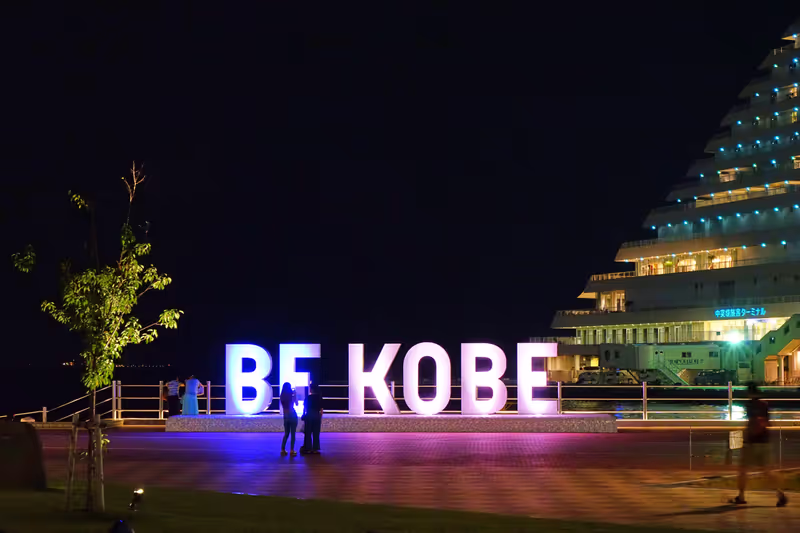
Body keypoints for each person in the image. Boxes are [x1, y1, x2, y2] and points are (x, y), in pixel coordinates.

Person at [730, 383, 787, 506]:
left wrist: (744, 438)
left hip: (752, 442)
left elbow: (751, 423)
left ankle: (741, 496)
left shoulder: (750, 405)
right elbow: (768, 423)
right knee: (767, 471)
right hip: (765, 441)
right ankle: (780, 494)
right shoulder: (765, 405)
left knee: (743, 470)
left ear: (749, 393)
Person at [301, 383, 323, 454]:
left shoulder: (308, 397)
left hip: (309, 415)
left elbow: (305, 408)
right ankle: (315, 448)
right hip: (317, 415)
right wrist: (320, 417)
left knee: (308, 432)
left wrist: (304, 415)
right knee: (316, 433)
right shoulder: (319, 397)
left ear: (311, 389)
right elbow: (321, 410)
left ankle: (308, 448)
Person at [279, 382, 299, 456]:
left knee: (286, 433)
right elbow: (296, 403)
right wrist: (295, 395)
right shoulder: (291, 395)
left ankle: (283, 449)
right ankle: (292, 450)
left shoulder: (282, 396)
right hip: (292, 415)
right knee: (293, 434)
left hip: (286, 416)